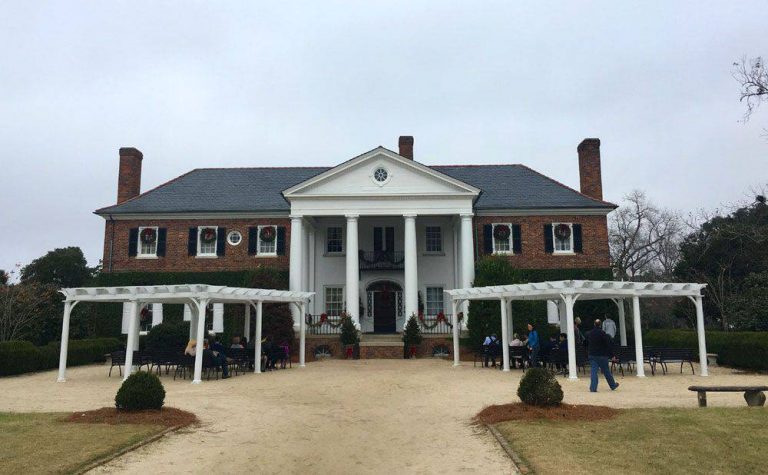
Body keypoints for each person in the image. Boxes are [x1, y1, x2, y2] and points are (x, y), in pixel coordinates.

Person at [586, 319, 619, 392]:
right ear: (600, 325)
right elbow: (608, 345)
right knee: (606, 371)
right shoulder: (603, 334)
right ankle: (612, 385)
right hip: (602, 355)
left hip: (592, 354)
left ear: (594, 324)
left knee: (593, 371)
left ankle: (593, 388)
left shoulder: (589, 333)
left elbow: (585, 343)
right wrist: (612, 355)